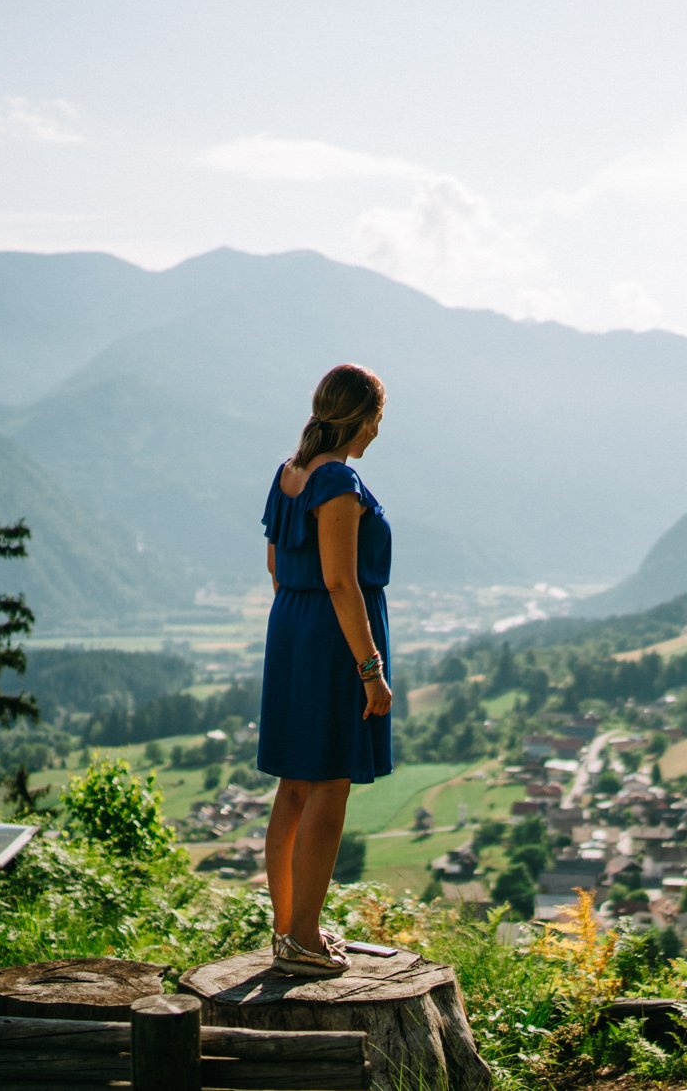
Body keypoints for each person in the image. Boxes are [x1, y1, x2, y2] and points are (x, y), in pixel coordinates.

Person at [257, 363, 394, 976]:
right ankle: (306, 939)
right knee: (330, 784)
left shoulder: (289, 475)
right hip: (332, 642)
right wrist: (369, 667)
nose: (377, 433)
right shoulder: (337, 479)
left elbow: (277, 568)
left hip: (291, 629)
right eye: (377, 420)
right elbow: (342, 580)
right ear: (362, 418)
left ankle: (290, 930)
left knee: (294, 784)